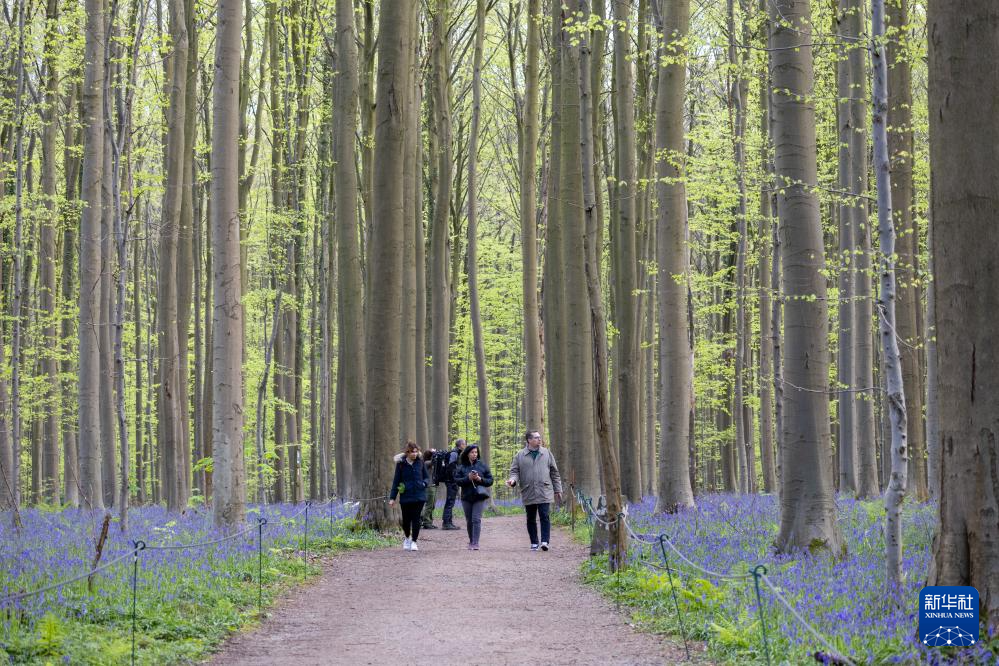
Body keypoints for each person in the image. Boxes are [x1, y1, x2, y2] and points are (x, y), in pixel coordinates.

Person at [507, 430, 562, 552]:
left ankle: (545, 542)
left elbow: (554, 472)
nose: (539, 439)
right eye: (536, 438)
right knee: (530, 518)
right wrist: (512, 480)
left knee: (544, 516)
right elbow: (514, 471)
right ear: (529, 440)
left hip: (544, 490)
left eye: (539, 437)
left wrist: (558, 489)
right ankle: (534, 542)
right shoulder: (520, 455)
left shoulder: (547, 453)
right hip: (528, 490)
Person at [388, 441, 430, 551]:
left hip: (419, 496)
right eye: (412, 452)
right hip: (406, 496)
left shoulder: (420, 462)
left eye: (416, 452)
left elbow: (426, 477)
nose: (414, 454)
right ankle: (407, 538)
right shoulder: (401, 464)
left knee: (416, 519)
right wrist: (392, 498)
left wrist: (424, 484)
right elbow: (396, 481)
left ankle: (414, 541)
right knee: (406, 520)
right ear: (407, 452)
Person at [451, 444, 493, 550]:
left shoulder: (482, 465)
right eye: (472, 452)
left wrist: (480, 479)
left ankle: (475, 543)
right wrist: (468, 478)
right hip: (466, 497)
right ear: (467, 454)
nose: (474, 454)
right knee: (469, 520)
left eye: (476, 452)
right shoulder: (461, 466)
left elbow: (490, 480)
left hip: (479, 496)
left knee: (476, 519)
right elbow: (457, 480)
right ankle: (471, 541)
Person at [441, 438, 466, 530]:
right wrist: (454, 479)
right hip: (451, 481)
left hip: (451, 481)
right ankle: (446, 523)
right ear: (460, 445)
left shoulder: (456, 453)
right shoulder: (454, 453)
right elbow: (451, 467)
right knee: (450, 501)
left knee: (451, 501)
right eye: (464, 444)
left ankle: (449, 522)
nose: (465, 446)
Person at [421, 449, 438, 529]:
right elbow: (434, 461)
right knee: (429, 505)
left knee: (432, 505)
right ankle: (426, 522)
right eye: (432, 455)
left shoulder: (428, 463)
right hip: (429, 487)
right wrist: (434, 453)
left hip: (433, 486)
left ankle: (429, 521)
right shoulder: (426, 463)